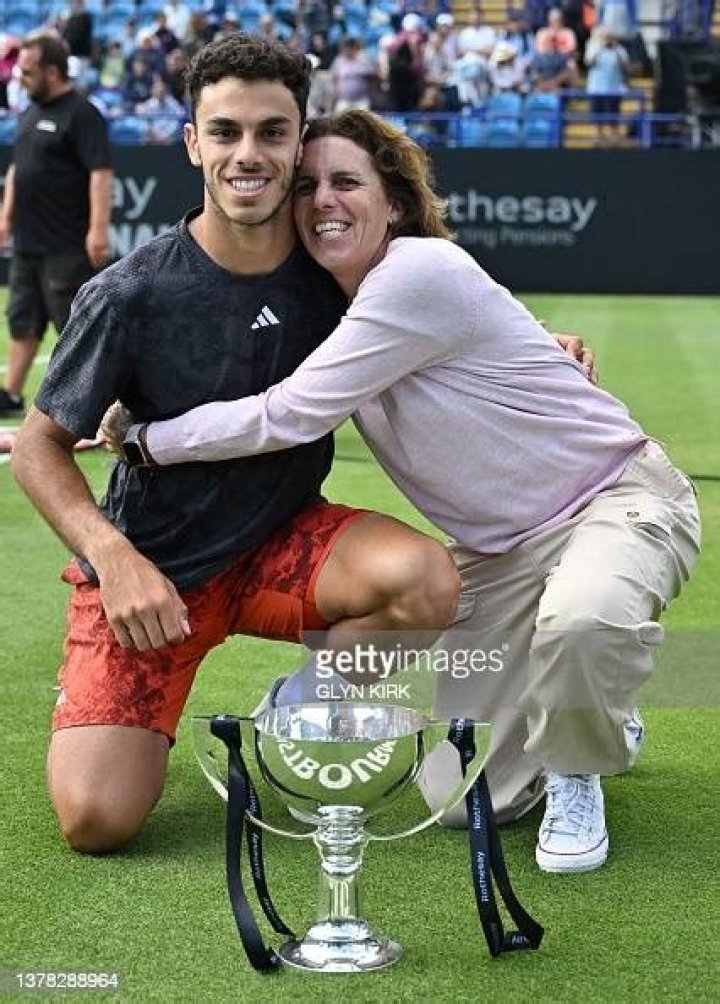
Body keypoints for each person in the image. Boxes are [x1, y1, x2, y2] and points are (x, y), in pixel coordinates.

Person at [117, 109, 701, 875]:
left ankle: (578, 769)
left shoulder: (417, 271)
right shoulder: (330, 308)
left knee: (582, 620)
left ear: (392, 202)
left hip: (615, 501)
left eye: (347, 182)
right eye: (308, 186)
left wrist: (147, 439)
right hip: (503, 554)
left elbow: (289, 413)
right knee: (453, 800)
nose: (324, 199)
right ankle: (597, 709)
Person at [10, 36, 460, 855]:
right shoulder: (129, 292)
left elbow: (447, 314)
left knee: (423, 583)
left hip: (286, 541)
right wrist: (114, 559)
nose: (247, 154)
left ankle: (291, 713)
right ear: (192, 143)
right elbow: (40, 446)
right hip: (158, 571)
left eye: (271, 132)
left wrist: (544, 340)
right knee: (96, 822)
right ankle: (115, 696)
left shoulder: (337, 268)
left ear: (298, 141)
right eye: (225, 132)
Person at [0, 34, 112, 418]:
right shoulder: (29, 113)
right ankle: (11, 394)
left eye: (28, 71)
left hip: (65, 243)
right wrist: (6, 214)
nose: (19, 78)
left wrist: (98, 229)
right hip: (28, 242)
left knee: (76, 328)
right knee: (22, 320)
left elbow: (100, 172)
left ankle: (95, 404)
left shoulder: (82, 113)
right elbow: (18, 169)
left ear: (52, 70)